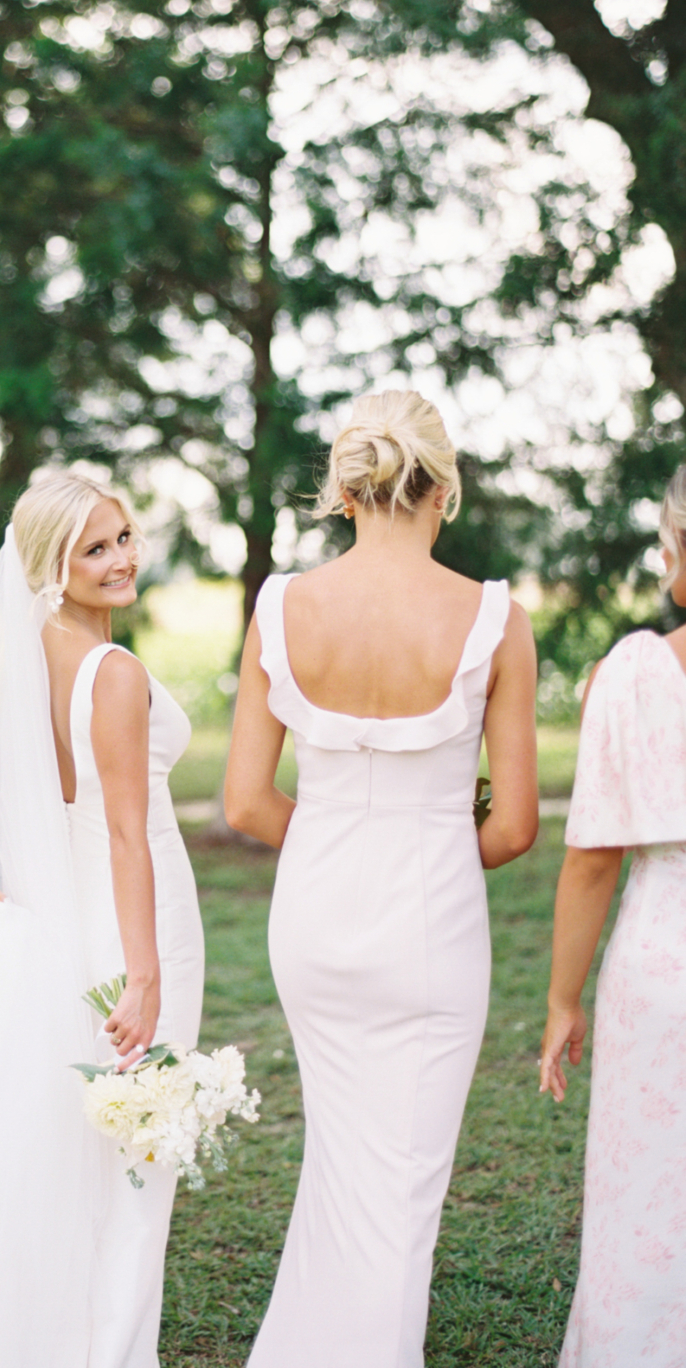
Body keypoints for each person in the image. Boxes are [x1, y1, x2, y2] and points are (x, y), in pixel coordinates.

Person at [224, 389, 538, 1368]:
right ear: (443, 487)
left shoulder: (281, 608)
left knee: (344, 1161)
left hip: (314, 927)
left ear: (347, 492)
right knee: (401, 1190)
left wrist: (330, 847)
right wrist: (435, 847)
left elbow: (243, 803)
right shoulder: (495, 620)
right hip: (430, 933)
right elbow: (518, 827)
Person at [0, 468, 205, 1368]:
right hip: (139, 923)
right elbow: (130, 838)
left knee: (93, 1161)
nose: (121, 558)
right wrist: (145, 975)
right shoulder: (114, 672)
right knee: (143, 1161)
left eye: (125, 535)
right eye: (94, 548)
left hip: (77, 917)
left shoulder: (39, 662)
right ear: (51, 568)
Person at [539, 466, 686, 1367]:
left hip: (664, 962)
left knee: (647, 1192)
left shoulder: (631, 674)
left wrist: (563, 999)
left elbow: (592, 859)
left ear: (678, 552)